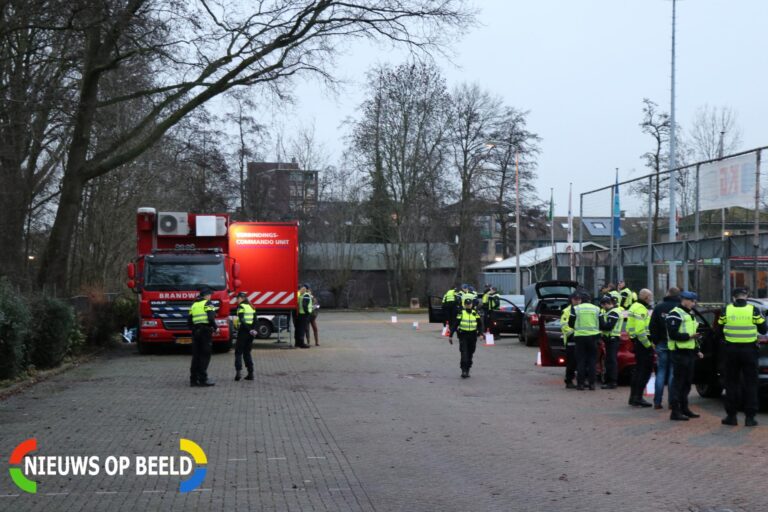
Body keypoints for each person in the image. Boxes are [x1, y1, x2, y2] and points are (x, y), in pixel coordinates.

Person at [718, 288, 767, 427]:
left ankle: (731, 417)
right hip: (750, 351)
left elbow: (719, 330)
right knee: (751, 384)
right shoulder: (753, 310)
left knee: (731, 383)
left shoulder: (726, 310)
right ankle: (750, 418)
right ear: (746, 296)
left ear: (733, 297)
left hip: (731, 351)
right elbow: (763, 329)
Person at [666, 291, 703, 421]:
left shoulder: (690, 314)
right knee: (678, 383)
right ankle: (675, 411)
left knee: (687, 383)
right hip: (679, 352)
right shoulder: (675, 314)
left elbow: (693, 333)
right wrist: (690, 337)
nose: (694, 303)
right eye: (692, 301)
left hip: (689, 352)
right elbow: (673, 334)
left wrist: (697, 349)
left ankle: (684, 408)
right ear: (685, 300)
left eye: (694, 301)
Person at [649, 287, 681, 409]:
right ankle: (672, 402)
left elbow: (652, 326)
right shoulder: (680, 308)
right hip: (675, 343)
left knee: (661, 372)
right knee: (673, 372)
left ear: (668, 293)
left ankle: (657, 402)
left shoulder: (659, 307)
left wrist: (656, 341)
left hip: (661, 343)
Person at [568, 292, 601, 390]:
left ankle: (580, 384)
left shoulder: (576, 308)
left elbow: (570, 323)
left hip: (580, 337)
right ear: (590, 299)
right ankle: (592, 384)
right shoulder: (597, 309)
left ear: (581, 300)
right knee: (592, 361)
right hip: (593, 337)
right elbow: (601, 322)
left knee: (580, 361)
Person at [627, 288, 654, 407]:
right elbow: (640, 330)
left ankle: (633, 397)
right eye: (650, 297)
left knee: (638, 371)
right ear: (646, 297)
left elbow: (631, 328)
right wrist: (648, 345)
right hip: (643, 344)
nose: (651, 299)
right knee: (644, 371)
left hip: (637, 343)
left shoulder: (634, 306)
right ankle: (638, 397)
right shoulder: (641, 309)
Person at [187, 288, 217, 387]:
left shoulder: (194, 305)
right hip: (205, 332)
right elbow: (211, 318)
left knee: (196, 356)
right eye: (210, 295)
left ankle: (193, 380)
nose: (210, 296)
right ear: (206, 295)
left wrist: (194, 330)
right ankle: (203, 380)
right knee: (205, 355)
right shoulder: (208, 303)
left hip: (196, 332)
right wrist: (215, 328)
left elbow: (189, 322)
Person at [450, 297, 484, 378]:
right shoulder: (461, 313)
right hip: (463, 335)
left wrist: (481, 334)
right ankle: (464, 370)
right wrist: (450, 335)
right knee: (464, 353)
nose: (468, 305)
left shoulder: (475, 313)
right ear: (464, 305)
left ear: (472, 304)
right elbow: (455, 324)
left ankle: (468, 368)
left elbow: (480, 324)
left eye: (469, 304)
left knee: (470, 353)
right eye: (467, 304)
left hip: (472, 335)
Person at [599, 294, 623, 389]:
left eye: (603, 305)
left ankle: (612, 382)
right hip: (609, 339)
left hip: (613, 339)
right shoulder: (610, 312)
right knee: (609, 361)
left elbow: (608, 327)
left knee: (611, 361)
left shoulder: (614, 312)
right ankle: (609, 381)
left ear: (607, 304)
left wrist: (600, 318)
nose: (603, 308)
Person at [234, 292, 256, 381]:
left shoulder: (241, 307)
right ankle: (250, 373)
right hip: (251, 334)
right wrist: (253, 329)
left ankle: (238, 373)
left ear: (241, 298)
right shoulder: (251, 306)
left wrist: (248, 329)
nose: (236, 300)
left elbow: (242, 320)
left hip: (243, 332)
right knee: (247, 352)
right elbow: (255, 320)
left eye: (237, 298)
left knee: (238, 352)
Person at [561, 293, 579, 389]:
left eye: (579, 299)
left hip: (581, 339)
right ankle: (569, 381)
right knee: (571, 362)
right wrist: (574, 333)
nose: (577, 301)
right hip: (571, 339)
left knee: (580, 361)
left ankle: (581, 380)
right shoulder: (567, 311)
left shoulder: (582, 309)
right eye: (575, 299)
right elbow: (564, 325)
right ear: (571, 300)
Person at [293, 284, 312, 349]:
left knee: (298, 329)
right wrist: (307, 312)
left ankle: (297, 343)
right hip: (304, 314)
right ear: (307, 289)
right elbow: (305, 305)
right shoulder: (306, 295)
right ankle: (302, 343)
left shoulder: (300, 294)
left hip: (299, 314)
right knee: (302, 329)